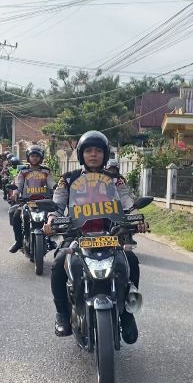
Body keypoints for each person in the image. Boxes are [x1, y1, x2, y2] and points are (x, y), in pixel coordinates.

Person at [43, 130, 146, 342]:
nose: (93, 154)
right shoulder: (68, 179)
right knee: (59, 263)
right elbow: (57, 204)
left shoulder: (115, 180)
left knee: (131, 261)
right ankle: (62, 313)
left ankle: (127, 314)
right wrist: (52, 220)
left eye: (98, 151)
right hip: (76, 234)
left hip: (111, 234)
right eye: (88, 150)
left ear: (105, 154)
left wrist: (137, 219)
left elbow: (127, 202)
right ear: (81, 154)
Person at [9, 145, 56, 253]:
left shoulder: (45, 171)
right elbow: (19, 184)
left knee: (52, 217)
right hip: (27, 202)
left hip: (43, 202)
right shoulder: (23, 171)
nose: (34, 158)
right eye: (32, 156)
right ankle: (18, 242)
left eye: (37, 156)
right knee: (16, 215)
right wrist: (16, 192)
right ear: (28, 157)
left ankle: (49, 239)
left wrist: (55, 187)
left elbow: (51, 183)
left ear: (41, 157)